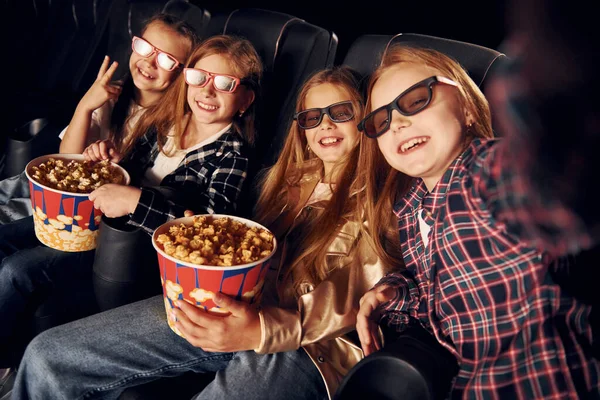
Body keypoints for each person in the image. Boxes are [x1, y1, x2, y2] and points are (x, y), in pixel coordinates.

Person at [11, 66, 391, 400]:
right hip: (230, 305)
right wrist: (203, 240)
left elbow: (359, 288)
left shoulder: (384, 197)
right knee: (49, 355)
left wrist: (265, 329)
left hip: (309, 347)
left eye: (340, 113)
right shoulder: (288, 181)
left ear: (366, 119)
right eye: (311, 117)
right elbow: (244, 249)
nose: (324, 124)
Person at [0, 33, 261, 375]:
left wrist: (136, 201)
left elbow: (210, 229)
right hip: (96, 220)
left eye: (226, 84)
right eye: (199, 77)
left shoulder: (232, 153)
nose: (207, 91)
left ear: (245, 100)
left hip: (128, 252)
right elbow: (130, 169)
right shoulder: (166, 122)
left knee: (17, 271)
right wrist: (110, 160)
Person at [353, 45, 599, 398]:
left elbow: (558, 181)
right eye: (381, 120)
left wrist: (538, 73)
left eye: (416, 100)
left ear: (467, 108)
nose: (398, 123)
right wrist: (394, 293)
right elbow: (444, 301)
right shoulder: (409, 212)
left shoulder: (489, 172)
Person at [0, 12, 199, 224]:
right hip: (67, 181)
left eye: (166, 60)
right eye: (144, 47)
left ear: (182, 73)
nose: (149, 62)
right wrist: (85, 106)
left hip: (89, 206)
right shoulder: (112, 94)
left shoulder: (177, 125)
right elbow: (67, 157)